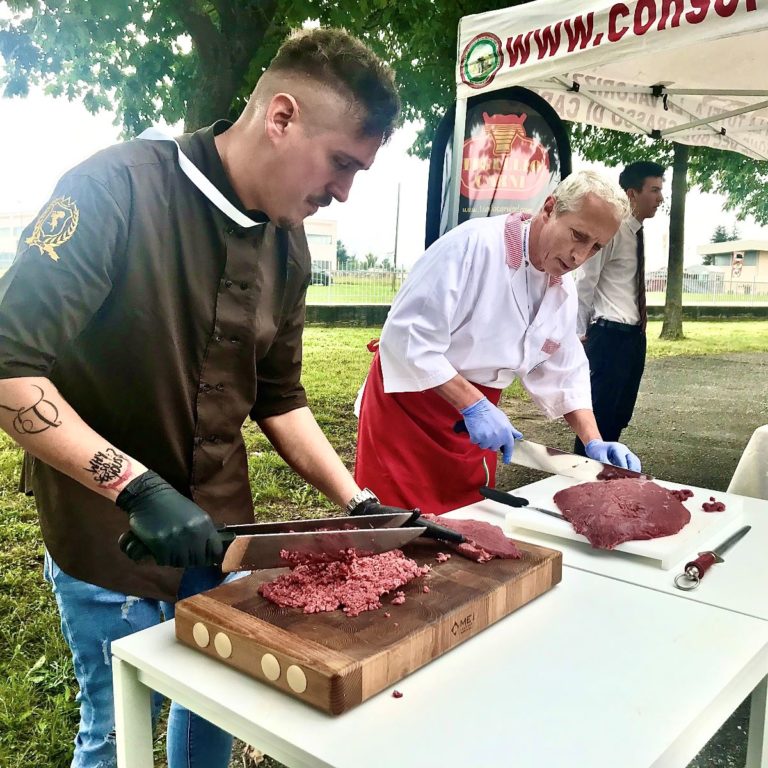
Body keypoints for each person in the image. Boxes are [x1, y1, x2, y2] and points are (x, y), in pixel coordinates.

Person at [0, 28, 404, 768]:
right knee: (119, 726)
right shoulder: (113, 189)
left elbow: (280, 399)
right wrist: (137, 487)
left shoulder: (290, 245)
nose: (343, 190)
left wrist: (357, 500)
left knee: (217, 704)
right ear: (281, 117)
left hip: (221, 532)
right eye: (341, 163)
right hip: (107, 534)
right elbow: (8, 367)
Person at [355, 170, 642, 516]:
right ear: (549, 208)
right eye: (578, 236)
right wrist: (473, 404)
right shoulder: (471, 247)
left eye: (595, 247)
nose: (580, 256)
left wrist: (593, 440)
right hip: (408, 414)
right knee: (394, 532)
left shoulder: (561, 289)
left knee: (462, 527)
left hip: (472, 429)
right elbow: (405, 338)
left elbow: (566, 373)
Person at [573, 161, 665, 455]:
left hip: (633, 337)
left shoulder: (636, 231)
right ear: (632, 194)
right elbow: (586, 279)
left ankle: (602, 480)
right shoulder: (613, 231)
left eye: (661, 191)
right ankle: (580, 479)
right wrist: (578, 331)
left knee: (619, 416)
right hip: (609, 335)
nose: (660, 198)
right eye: (654, 190)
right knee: (597, 419)